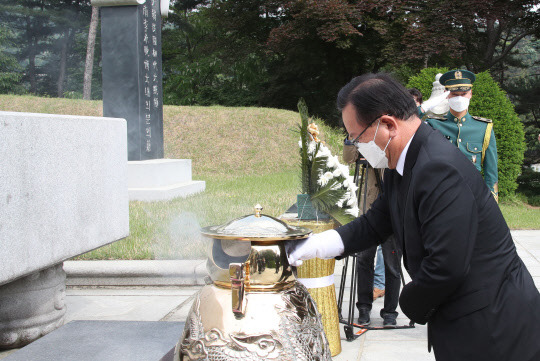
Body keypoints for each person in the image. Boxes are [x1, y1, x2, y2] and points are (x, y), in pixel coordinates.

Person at [287, 73, 540, 361]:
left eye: (357, 137)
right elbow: (373, 224)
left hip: (495, 326)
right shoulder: (402, 161)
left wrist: (405, 303)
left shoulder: (437, 168)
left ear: (387, 125)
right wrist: (313, 246)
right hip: (467, 318)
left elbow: (446, 267)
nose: (356, 146)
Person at [343, 137, 401, 327]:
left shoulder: (392, 130)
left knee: (392, 263)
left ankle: (390, 312)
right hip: (369, 206)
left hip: (392, 206)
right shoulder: (365, 131)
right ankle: (364, 308)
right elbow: (349, 158)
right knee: (364, 260)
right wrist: (351, 139)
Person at [424, 69, 498, 201]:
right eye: (454, 94)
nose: (459, 98)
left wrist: (491, 202)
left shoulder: (483, 128)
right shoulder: (433, 125)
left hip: (473, 196)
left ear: (471, 94)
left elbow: (490, 172)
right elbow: (408, 125)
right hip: (441, 196)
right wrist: (425, 107)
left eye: (463, 94)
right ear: (447, 95)